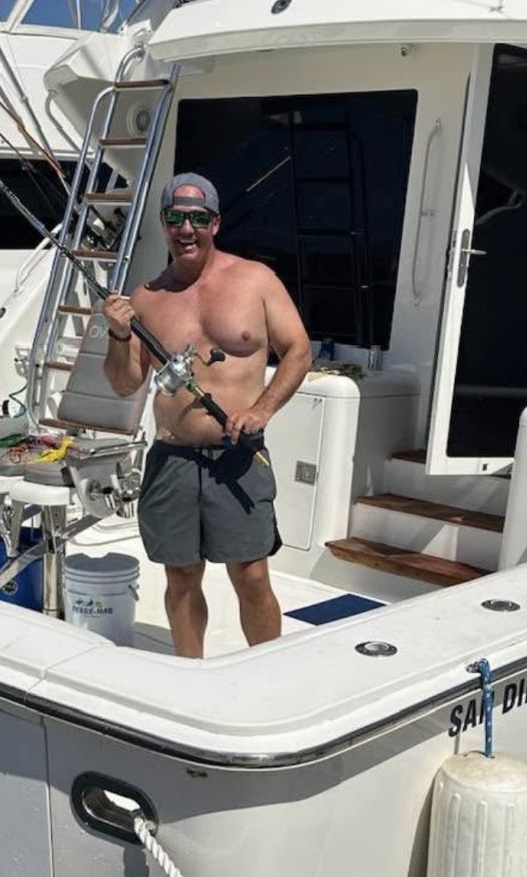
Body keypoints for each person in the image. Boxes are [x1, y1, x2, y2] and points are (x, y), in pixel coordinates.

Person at [102, 173, 312, 659]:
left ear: (215, 223)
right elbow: (125, 383)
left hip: (236, 455)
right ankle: (189, 673)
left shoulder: (256, 279)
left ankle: (266, 672)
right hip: (173, 457)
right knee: (180, 577)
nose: (186, 230)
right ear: (163, 223)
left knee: (251, 575)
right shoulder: (146, 297)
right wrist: (117, 333)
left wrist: (261, 410)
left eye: (198, 219)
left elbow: (298, 350)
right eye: (175, 218)